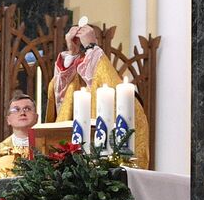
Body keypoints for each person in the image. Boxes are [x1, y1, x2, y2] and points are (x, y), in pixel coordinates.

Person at [49, 21, 148, 162]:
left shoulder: (117, 92)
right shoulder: (75, 84)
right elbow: (60, 100)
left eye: (89, 56)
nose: (84, 62)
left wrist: (91, 47)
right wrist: (71, 53)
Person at [0, 93, 40, 179]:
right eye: (16, 109)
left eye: (27, 109)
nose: (22, 113)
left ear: (36, 117)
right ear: (8, 120)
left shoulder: (47, 149)